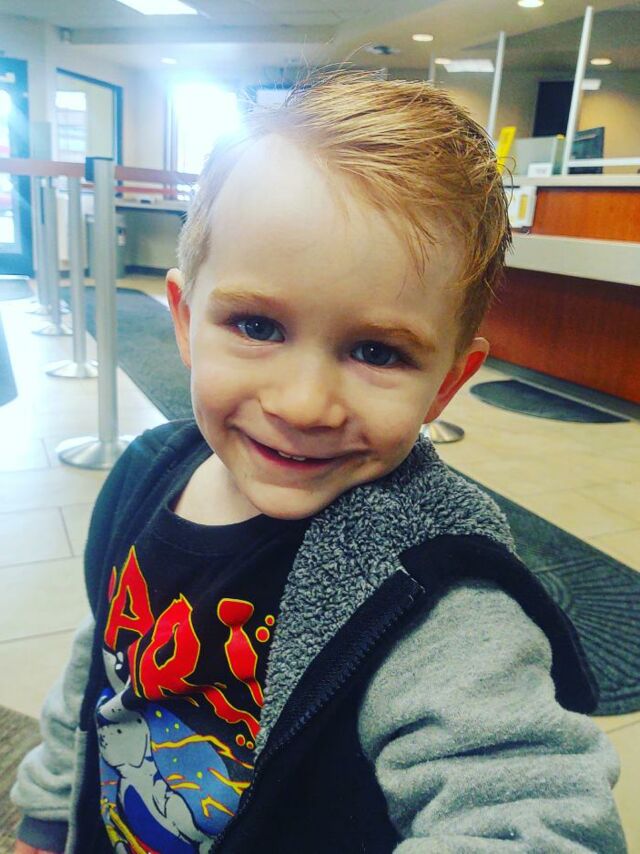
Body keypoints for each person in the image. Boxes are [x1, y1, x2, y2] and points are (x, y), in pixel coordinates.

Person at [12, 70, 626, 854]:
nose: (304, 404)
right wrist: (46, 813)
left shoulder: (432, 594)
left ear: (446, 385)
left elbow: (531, 810)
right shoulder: (144, 477)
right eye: (257, 326)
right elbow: (99, 662)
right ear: (186, 321)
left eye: (377, 351)